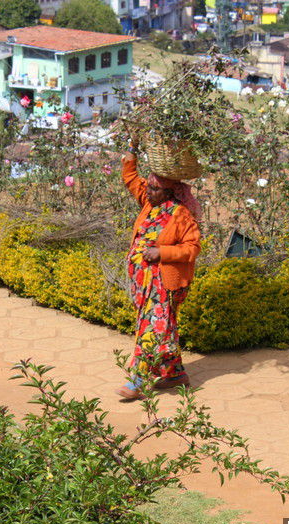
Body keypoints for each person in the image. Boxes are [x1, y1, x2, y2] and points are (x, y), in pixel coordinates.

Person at [117, 137, 202, 400]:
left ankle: (138, 380)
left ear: (168, 192)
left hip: (164, 285)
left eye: (154, 188)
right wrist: (132, 147)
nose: (147, 189)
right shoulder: (148, 203)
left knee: (153, 327)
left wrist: (161, 252)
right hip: (144, 283)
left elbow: (192, 248)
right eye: (149, 186)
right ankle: (174, 374)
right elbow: (131, 177)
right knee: (163, 326)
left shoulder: (180, 215)